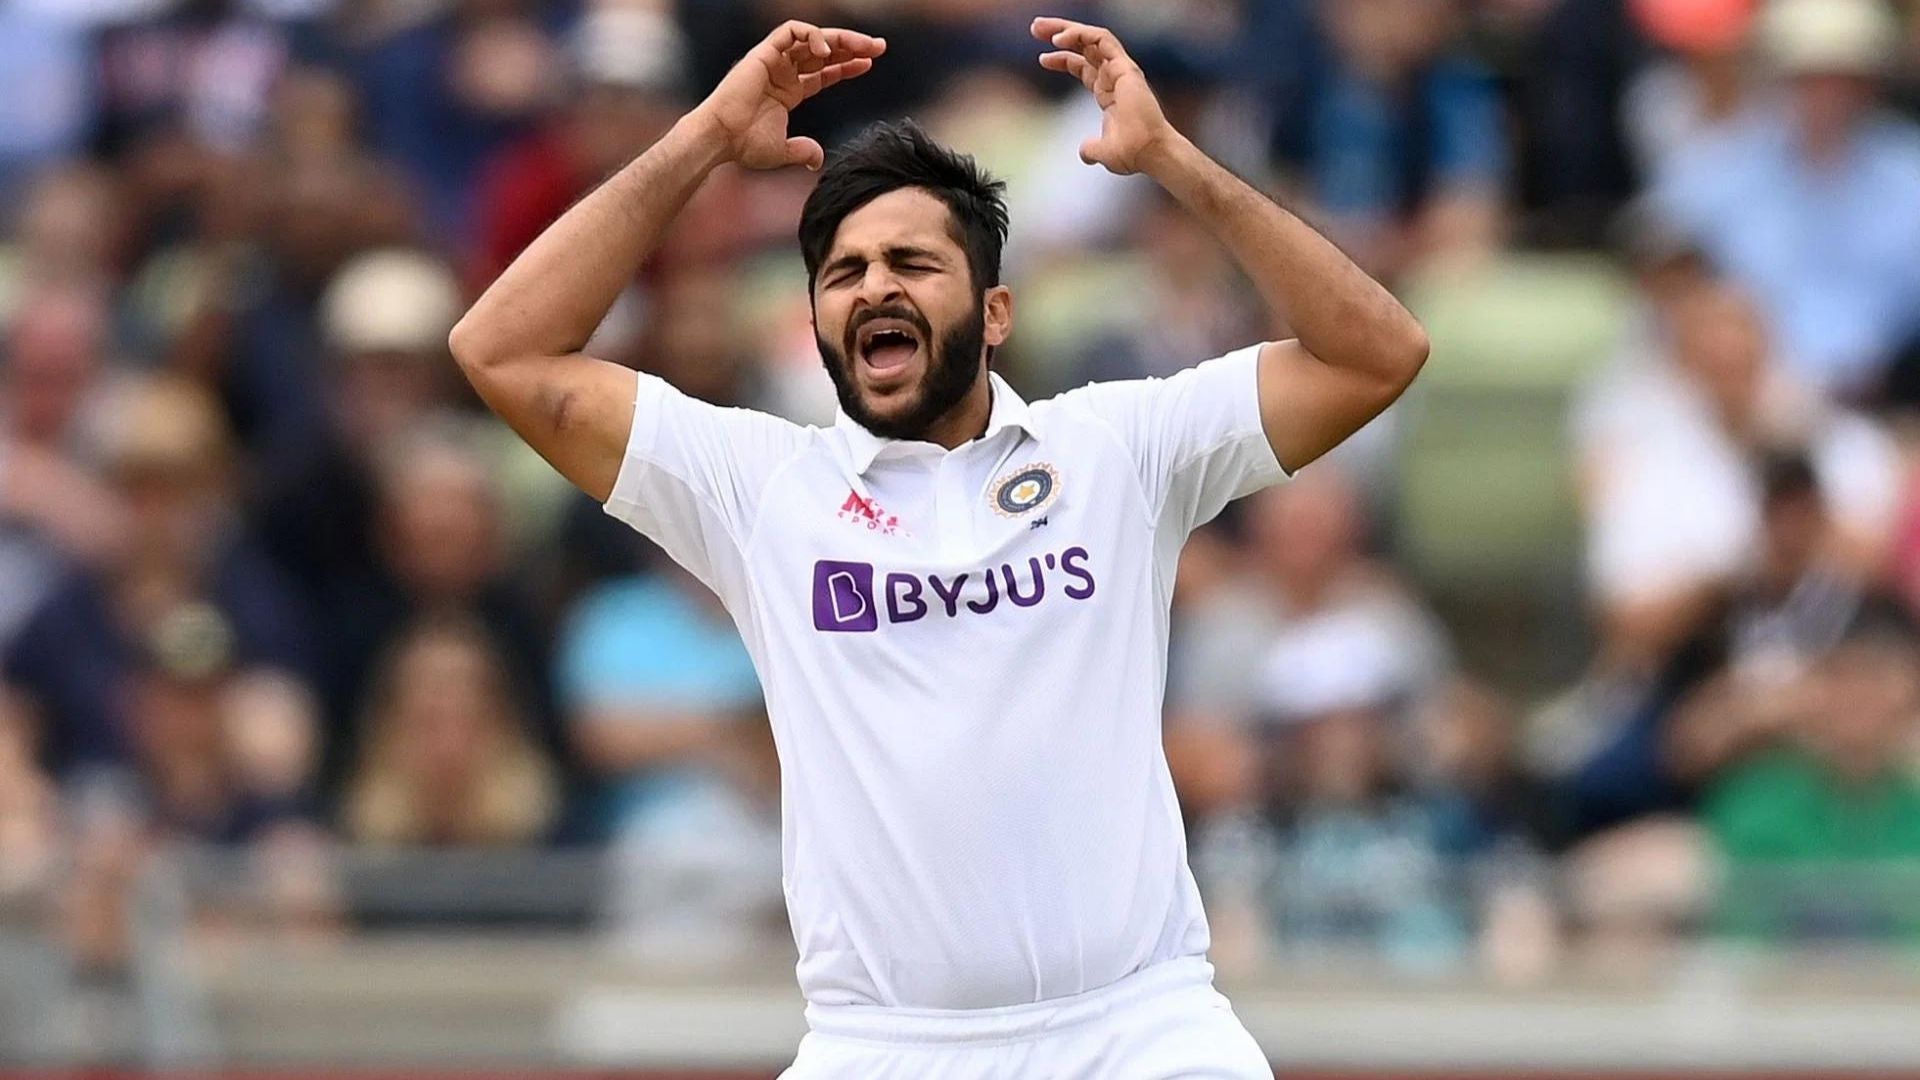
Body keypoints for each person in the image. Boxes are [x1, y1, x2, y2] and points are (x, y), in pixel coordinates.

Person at [449, 15, 1427, 1078]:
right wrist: (703, 139)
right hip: (883, 1048)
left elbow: (1376, 353)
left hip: (1142, 1031)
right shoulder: (762, 487)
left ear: (995, 311)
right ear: (818, 322)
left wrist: (1175, 164)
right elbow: (502, 349)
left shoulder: (1117, 450)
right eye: (844, 272)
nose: (875, 287)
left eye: (913, 262)